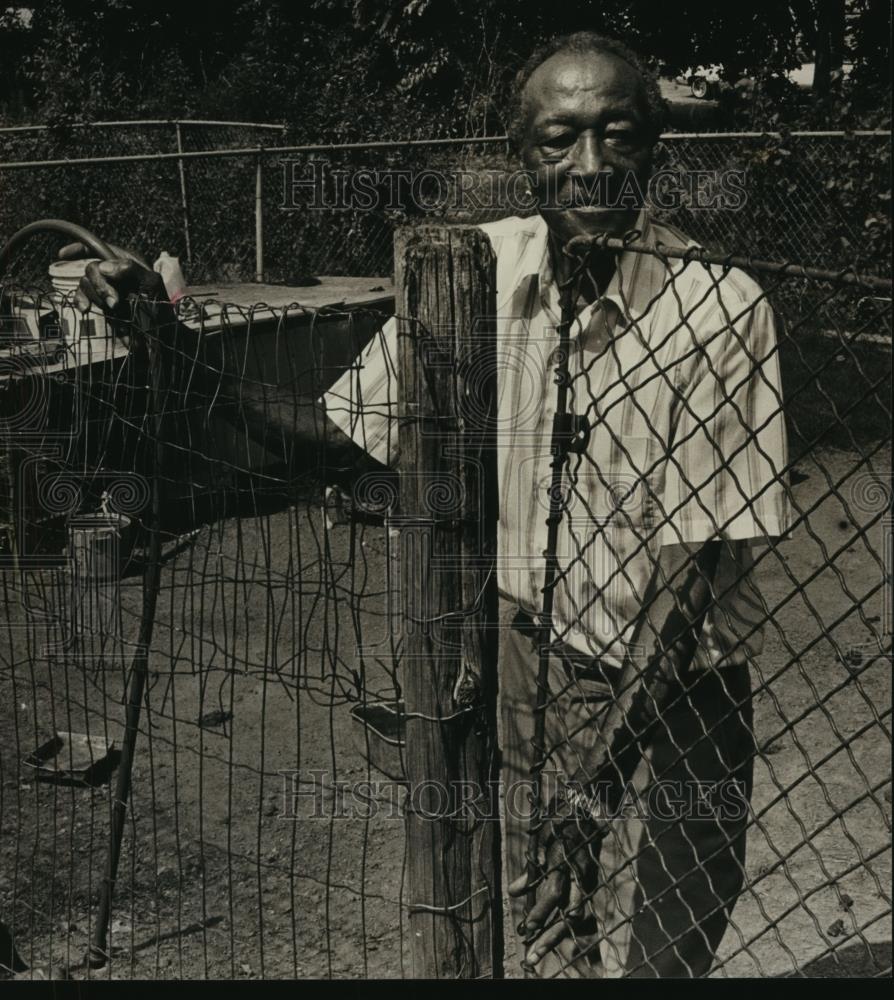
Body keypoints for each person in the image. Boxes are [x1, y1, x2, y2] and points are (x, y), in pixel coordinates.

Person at [69, 31, 791, 978]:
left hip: (679, 683)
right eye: (558, 140)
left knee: (666, 957)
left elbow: (690, 573)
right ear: (519, 155)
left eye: (617, 135)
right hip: (530, 663)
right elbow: (331, 435)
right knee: (545, 943)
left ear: (656, 146)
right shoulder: (472, 269)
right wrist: (168, 339)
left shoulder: (719, 308)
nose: (590, 167)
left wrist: (596, 792)